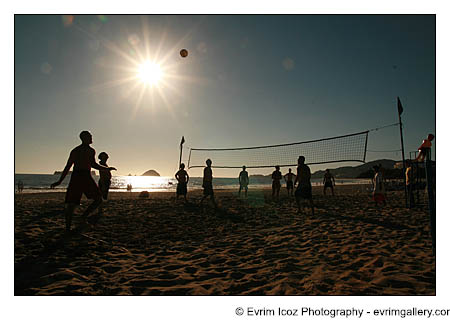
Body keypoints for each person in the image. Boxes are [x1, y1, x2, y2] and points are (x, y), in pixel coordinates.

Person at [50, 131, 116, 232]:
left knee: (98, 199)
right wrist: (59, 181)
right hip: (77, 176)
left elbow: (93, 164)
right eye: (89, 136)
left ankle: (83, 217)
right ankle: (68, 228)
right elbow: (68, 166)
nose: (91, 138)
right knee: (72, 203)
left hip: (86, 176)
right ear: (84, 138)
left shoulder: (91, 151)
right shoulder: (76, 151)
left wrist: (107, 168)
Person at [97, 152, 113, 216]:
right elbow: (102, 174)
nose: (107, 158)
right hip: (104, 181)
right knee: (102, 196)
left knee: (103, 196)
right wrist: (103, 183)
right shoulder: (102, 164)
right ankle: (100, 210)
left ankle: (100, 209)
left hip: (105, 181)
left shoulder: (104, 164)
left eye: (106, 157)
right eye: (105, 157)